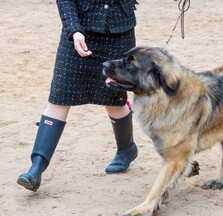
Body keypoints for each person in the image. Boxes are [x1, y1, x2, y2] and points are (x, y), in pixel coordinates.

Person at [17, 0, 139, 192]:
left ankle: (126, 150)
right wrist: (74, 29)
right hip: (79, 31)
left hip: (119, 32)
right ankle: (36, 168)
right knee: (59, 97)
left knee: (114, 100)